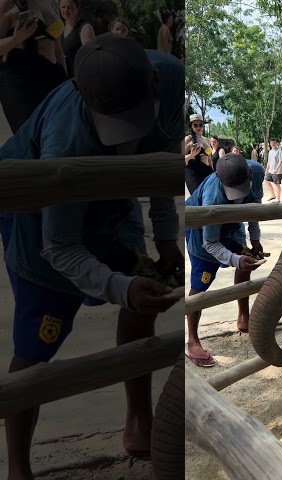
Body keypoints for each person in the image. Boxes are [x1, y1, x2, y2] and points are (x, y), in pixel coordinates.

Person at [0, 34, 185, 478]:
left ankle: (138, 420)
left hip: (112, 201)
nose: (129, 130)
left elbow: (160, 159)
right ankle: (19, 468)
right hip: (41, 220)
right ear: (84, 96)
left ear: (155, 82)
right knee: (36, 346)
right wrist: (119, 287)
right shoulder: (65, 141)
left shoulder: (173, 80)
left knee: (148, 294)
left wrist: (164, 238)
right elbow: (59, 245)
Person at [185, 153, 265, 367]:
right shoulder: (212, 197)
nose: (237, 194)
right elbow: (209, 243)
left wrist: (255, 238)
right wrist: (234, 259)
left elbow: (254, 206)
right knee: (199, 287)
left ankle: (243, 318)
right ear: (221, 180)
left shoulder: (256, 171)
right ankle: (192, 340)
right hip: (202, 232)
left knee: (247, 261)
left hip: (233, 223)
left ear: (249, 173)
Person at [0, 0, 67, 133]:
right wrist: (16, 39)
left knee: (60, 135)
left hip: (53, 76)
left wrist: (66, 80)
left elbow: (58, 49)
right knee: (30, 138)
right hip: (21, 78)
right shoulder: (6, 3)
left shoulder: (51, 2)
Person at [60, 0, 95, 78]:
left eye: (70, 7)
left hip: (79, 77)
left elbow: (90, 57)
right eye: (63, 7)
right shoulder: (60, 28)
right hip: (64, 78)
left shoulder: (85, 28)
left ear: (77, 8)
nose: (66, 10)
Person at [184, 113, 213, 195]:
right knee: (197, 197)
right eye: (195, 125)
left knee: (208, 197)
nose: (198, 127)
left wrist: (213, 172)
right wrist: (192, 155)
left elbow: (209, 159)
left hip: (206, 171)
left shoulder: (206, 140)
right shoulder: (188, 139)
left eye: (200, 125)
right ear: (191, 126)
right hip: (193, 172)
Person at [264, 138, 282, 204]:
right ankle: (272, 195)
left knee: (276, 184)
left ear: (276, 143)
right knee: (266, 181)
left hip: (277, 171)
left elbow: (280, 161)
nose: (273, 144)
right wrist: (266, 170)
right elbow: (268, 162)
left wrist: (276, 169)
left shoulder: (279, 151)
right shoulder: (270, 151)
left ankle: (278, 199)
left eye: (274, 143)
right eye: (271, 143)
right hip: (270, 170)